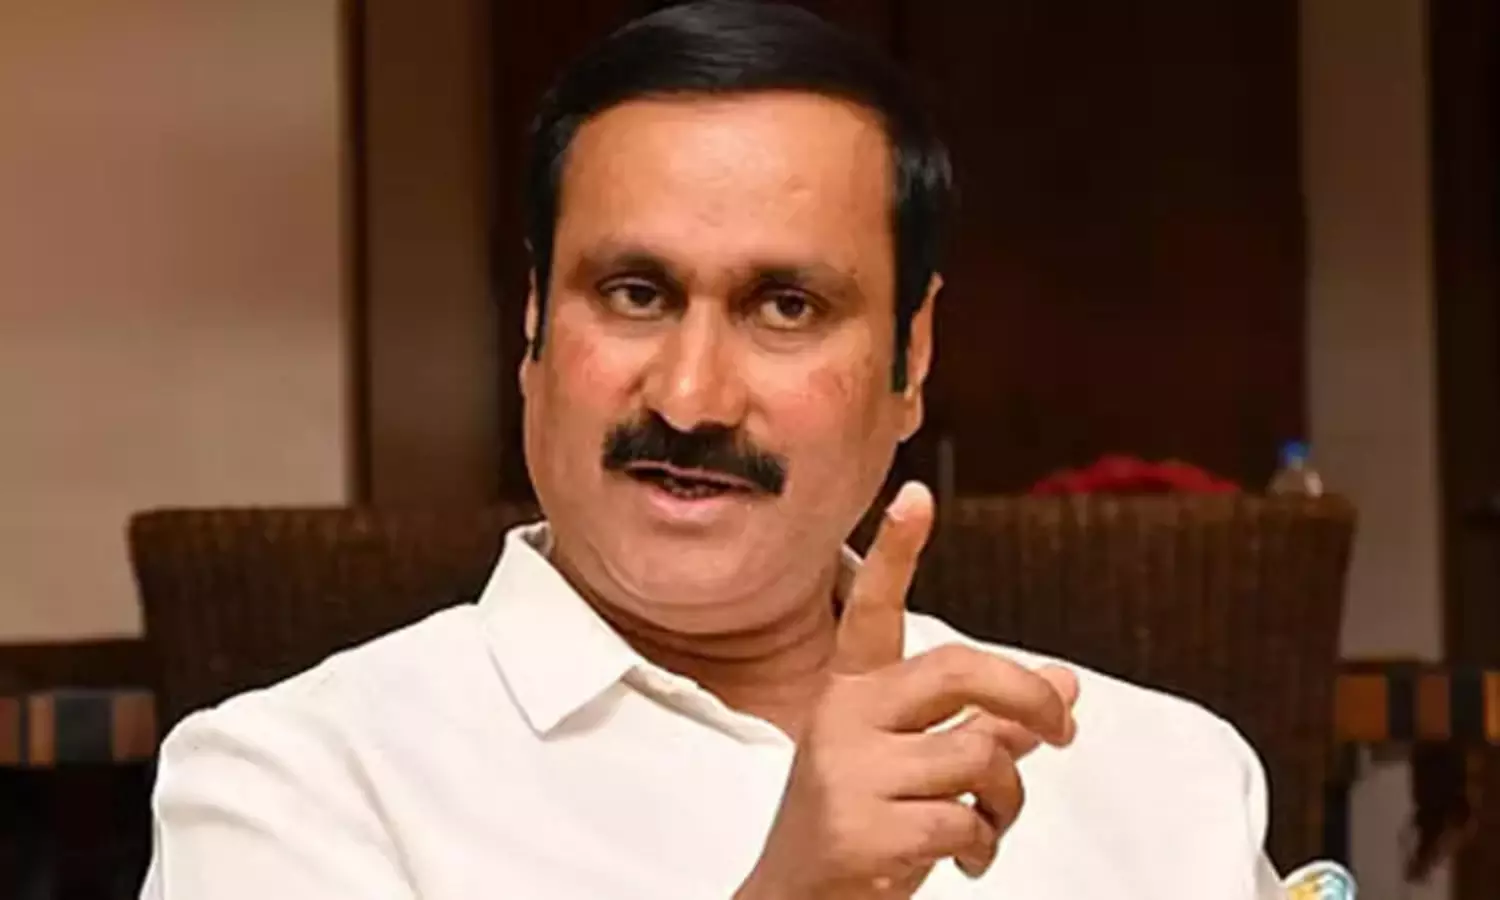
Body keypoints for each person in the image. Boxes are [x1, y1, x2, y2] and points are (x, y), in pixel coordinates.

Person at [140, 2, 1286, 897]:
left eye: (786, 306)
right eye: (634, 294)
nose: (689, 400)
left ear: (912, 356)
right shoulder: (294, 783)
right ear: (533, 323)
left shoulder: (1159, 775)